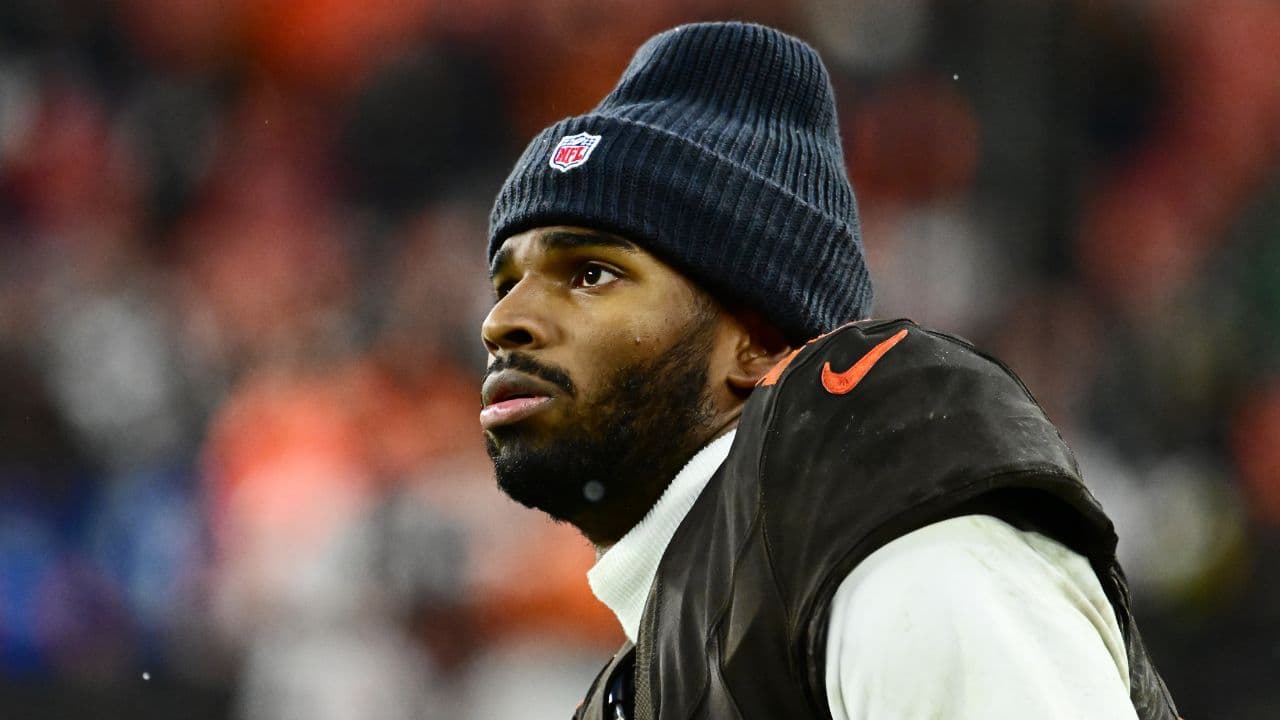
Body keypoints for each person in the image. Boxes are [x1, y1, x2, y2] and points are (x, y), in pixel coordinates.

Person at [479, 21, 1180, 720]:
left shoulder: (911, 564)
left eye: (593, 273)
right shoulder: (683, 646)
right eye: (506, 281)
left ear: (759, 340)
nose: (502, 321)